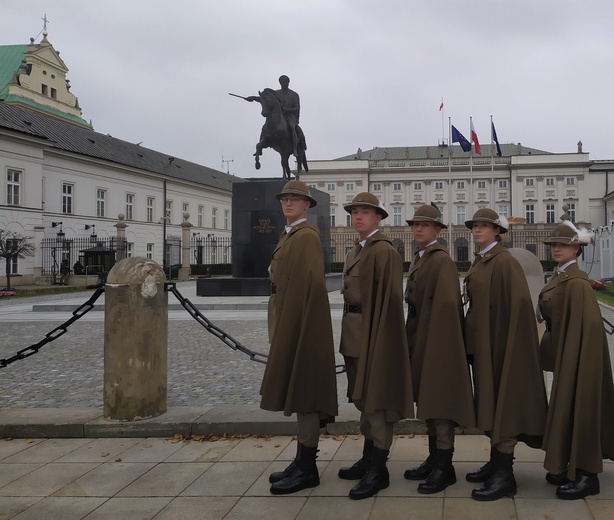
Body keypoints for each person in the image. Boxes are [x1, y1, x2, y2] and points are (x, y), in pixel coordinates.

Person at [463, 208, 547, 501]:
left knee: (503, 403)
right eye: (475, 226)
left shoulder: (504, 262)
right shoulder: (483, 260)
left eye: (484, 227)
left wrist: (509, 347)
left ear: (497, 231)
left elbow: (519, 308)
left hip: (501, 348)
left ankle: (505, 475)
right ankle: (495, 462)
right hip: (484, 345)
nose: (477, 230)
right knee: (489, 401)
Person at [260, 180, 338, 495]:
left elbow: (308, 288)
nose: (288, 203)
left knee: (305, 393)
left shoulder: (305, 237)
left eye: (295, 199)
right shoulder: (290, 234)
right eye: (285, 199)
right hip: (288, 321)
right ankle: (301, 460)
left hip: (301, 326)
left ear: (307, 205)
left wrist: (298, 330)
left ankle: (307, 467)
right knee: (297, 391)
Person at [337, 192, 414, 500]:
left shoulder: (383, 252)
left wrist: (380, 344)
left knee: (377, 402)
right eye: (355, 212)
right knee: (362, 401)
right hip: (354, 335)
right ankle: (369, 458)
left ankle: (378, 470)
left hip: (373, 337)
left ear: (379, 217)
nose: (358, 216)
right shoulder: (357, 249)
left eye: (365, 212)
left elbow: (390, 304)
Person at [538, 220, 614, 500]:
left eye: (564, 245)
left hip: (579, 358)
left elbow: (589, 330)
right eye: (554, 245)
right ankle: (567, 464)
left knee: (582, 408)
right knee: (567, 407)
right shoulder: (561, 276)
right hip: (566, 353)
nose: (557, 249)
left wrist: (576, 360)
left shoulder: (577, 283)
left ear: (577, 249)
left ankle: (587, 475)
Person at [403, 204, 475, 494]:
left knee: (440, 403)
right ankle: (434, 459)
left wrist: (438, 348)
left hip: (438, 343)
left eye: (424, 225)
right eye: (415, 224)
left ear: (437, 230)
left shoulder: (441, 260)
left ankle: (445, 467)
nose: (418, 229)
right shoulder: (422, 257)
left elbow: (446, 308)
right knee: (429, 402)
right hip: (422, 337)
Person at [246, 75, 301, 156]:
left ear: (288, 83)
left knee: (292, 126)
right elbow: (265, 99)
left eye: (286, 82)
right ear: (280, 83)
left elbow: (297, 108)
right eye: (282, 83)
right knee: (265, 127)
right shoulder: (277, 93)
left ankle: (295, 148)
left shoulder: (294, 94)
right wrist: (253, 98)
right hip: (279, 116)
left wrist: (286, 109)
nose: (284, 84)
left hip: (289, 116)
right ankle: (259, 148)